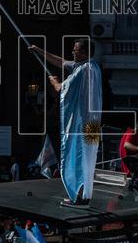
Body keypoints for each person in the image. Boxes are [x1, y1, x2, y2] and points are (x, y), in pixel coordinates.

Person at [30, 39, 102, 204]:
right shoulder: (93, 66)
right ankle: (84, 195)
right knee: (88, 160)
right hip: (93, 125)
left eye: (75, 50)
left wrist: (53, 81)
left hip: (82, 125)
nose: (72, 51)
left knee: (77, 157)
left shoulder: (83, 70)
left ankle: (79, 196)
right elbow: (61, 62)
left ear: (83, 53)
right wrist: (39, 50)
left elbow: (61, 89)